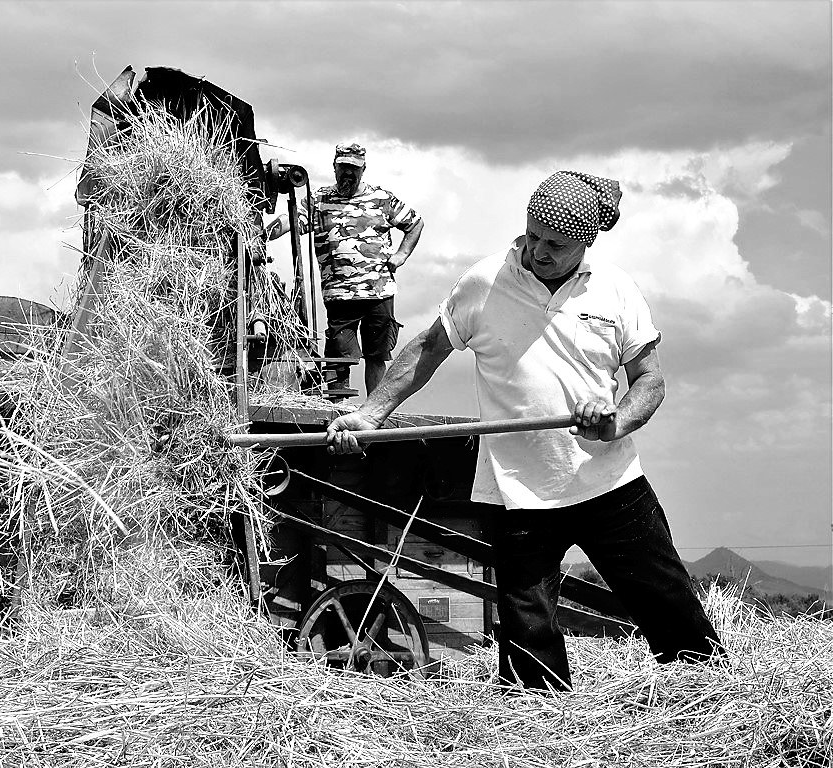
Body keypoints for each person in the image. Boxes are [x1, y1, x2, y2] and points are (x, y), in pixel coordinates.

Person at [325, 171, 723, 691]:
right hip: (517, 490)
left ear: (586, 243)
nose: (538, 251)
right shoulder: (485, 282)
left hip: (610, 481)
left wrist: (616, 422)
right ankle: (542, 714)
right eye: (533, 236)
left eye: (555, 245)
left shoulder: (617, 288)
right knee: (527, 632)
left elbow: (650, 379)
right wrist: (371, 413)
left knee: (668, 603)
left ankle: (706, 694)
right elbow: (428, 348)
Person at [266, 143, 424, 395]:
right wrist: (264, 233)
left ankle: (374, 411)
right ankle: (339, 409)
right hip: (339, 294)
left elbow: (415, 223)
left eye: (354, 168)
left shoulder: (381, 199)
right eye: (343, 167)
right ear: (334, 167)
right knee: (339, 357)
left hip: (378, 292)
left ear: (363, 169)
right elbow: (292, 221)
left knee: (377, 356)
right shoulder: (319, 200)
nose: (348, 172)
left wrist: (401, 255)